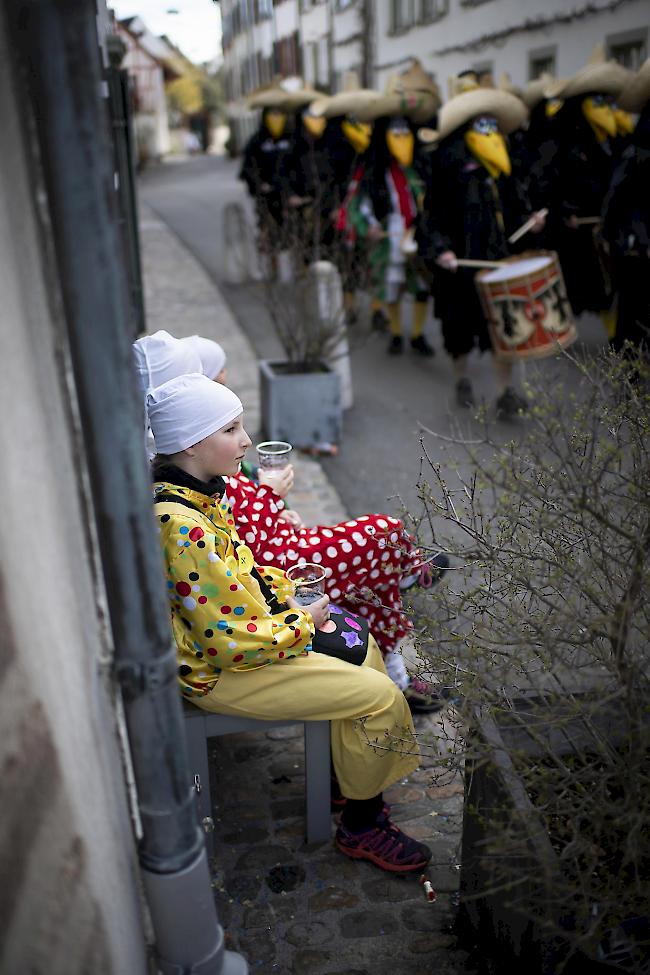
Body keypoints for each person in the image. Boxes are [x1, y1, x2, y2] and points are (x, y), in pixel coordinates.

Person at [148, 372, 432, 873]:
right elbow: (224, 642)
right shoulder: (184, 524)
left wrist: (289, 599)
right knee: (381, 695)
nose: (247, 442)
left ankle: (349, 783)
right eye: (231, 430)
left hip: (244, 647)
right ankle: (363, 825)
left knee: (360, 644)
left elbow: (242, 577)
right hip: (217, 673)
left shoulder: (200, 496)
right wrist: (301, 622)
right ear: (192, 444)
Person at [416, 78, 546, 416]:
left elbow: (517, 204)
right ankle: (462, 378)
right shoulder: (447, 163)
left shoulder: (505, 162)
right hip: (461, 264)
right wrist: (441, 250)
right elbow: (430, 217)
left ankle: (505, 393)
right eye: (481, 124)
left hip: (501, 261)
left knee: (504, 327)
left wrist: (531, 222)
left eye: (492, 123)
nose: (489, 130)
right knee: (460, 329)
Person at [348, 67, 441, 357]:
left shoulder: (422, 166)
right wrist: (370, 226)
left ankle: (417, 334)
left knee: (423, 286)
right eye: (394, 129)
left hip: (419, 233)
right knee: (392, 286)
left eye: (405, 129)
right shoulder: (373, 172)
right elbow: (357, 205)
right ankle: (397, 333)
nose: (400, 135)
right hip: (389, 235)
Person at [545, 51, 631, 333]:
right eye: (597, 101)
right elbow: (552, 181)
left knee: (610, 282)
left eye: (607, 100)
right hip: (575, 227)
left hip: (605, 222)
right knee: (577, 280)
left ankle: (612, 340)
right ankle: (559, 331)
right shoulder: (564, 140)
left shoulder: (616, 140)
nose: (604, 107)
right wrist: (565, 211)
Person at [601, 58, 650, 352]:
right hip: (637, 252)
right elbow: (623, 201)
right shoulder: (638, 153)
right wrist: (642, 239)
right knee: (634, 323)